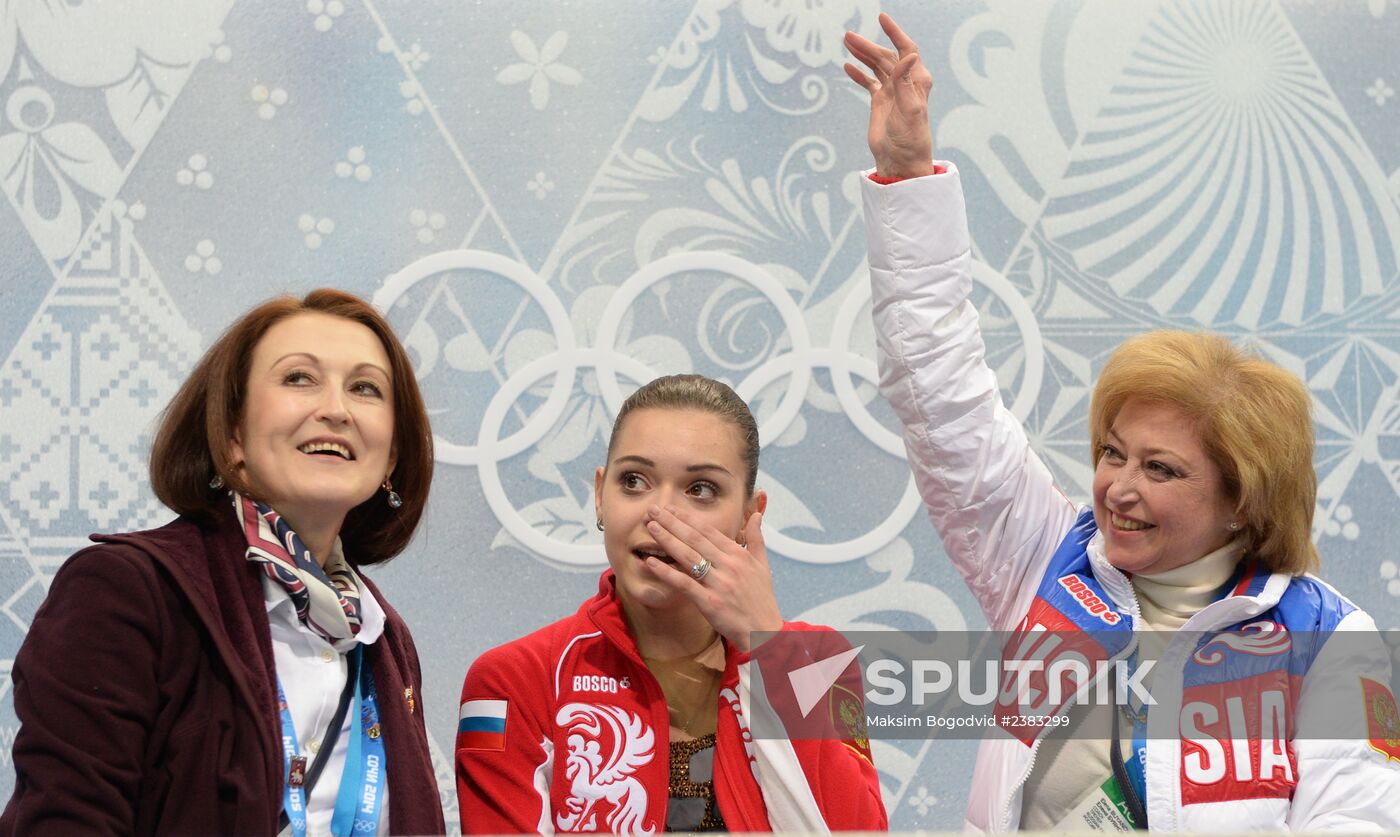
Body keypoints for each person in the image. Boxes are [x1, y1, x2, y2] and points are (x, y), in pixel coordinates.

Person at [845, 13, 1400, 832]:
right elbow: (939, 387)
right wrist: (908, 177)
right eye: (1112, 453)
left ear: (1243, 497)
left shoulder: (1331, 639)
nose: (1118, 489)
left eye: (1161, 468)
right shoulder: (1045, 555)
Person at [1, 289, 446, 836]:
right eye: (299, 378)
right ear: (232, 433)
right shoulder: (127, 589)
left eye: (365, 388)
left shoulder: (382, 636)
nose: (336, 408)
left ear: (391, 458)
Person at [455, 374, 888, 834]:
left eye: (700, 488)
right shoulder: (515, 680)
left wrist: (767, 646)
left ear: (749, 516)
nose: (660, 514)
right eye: (634, 480)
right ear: (600, 496)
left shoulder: (818, 662)